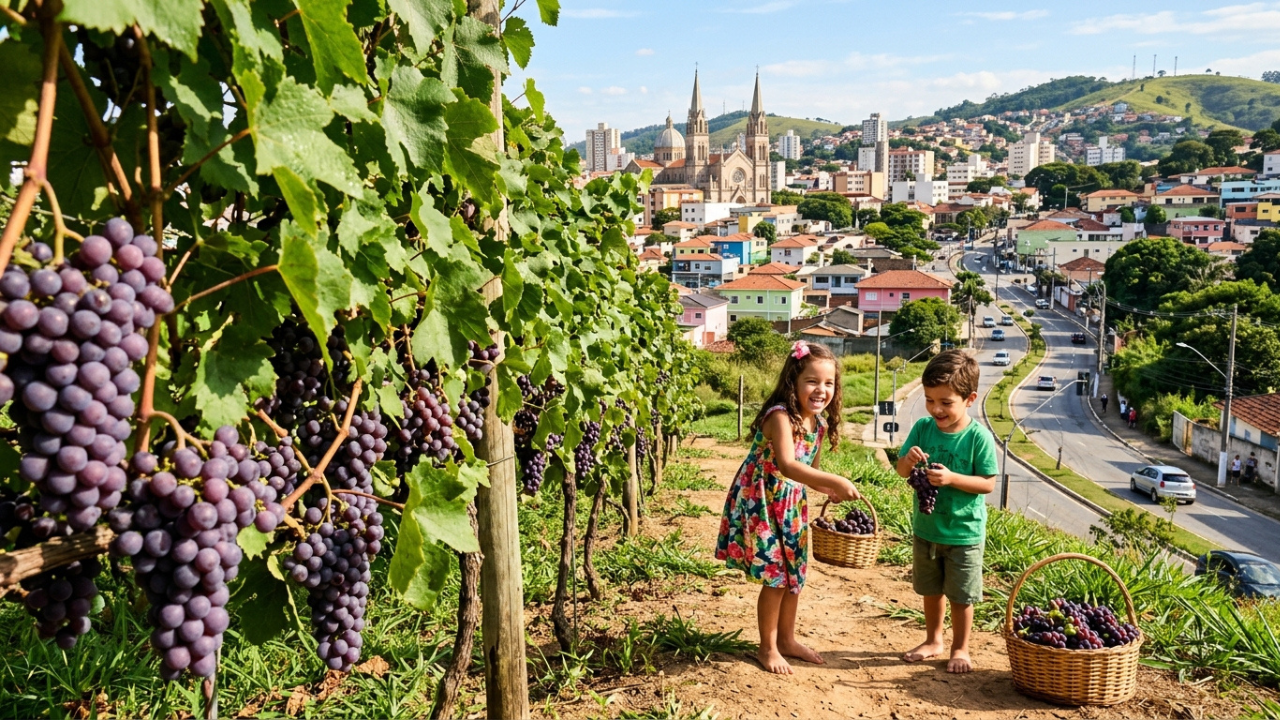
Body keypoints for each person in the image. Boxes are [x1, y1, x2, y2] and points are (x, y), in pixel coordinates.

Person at [714, 340, 860, 675]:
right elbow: (789, 464)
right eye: (812, 381)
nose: (821, 389)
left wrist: (827, 488)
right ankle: (767, 647)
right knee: (776, 578)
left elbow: (810, 474)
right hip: (763, 504)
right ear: (793, 381)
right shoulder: (780, 417)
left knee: (795, 575)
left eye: (828, 383)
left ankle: (788, 640)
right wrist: (835, 480)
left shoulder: (819, 425)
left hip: (792, 505)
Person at [895, 350, 998, 674]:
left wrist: (952, 479)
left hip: (963, 532)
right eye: (929, 400)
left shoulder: (977, 437)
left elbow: (988, 484)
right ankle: (933, 640)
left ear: (969, 399)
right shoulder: (924, 428)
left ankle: (961, 648)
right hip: (927, 528)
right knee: (931, 590)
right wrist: (908, 461)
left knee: (961, 596)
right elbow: (900, 470)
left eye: (945, 402)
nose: (936, 409)